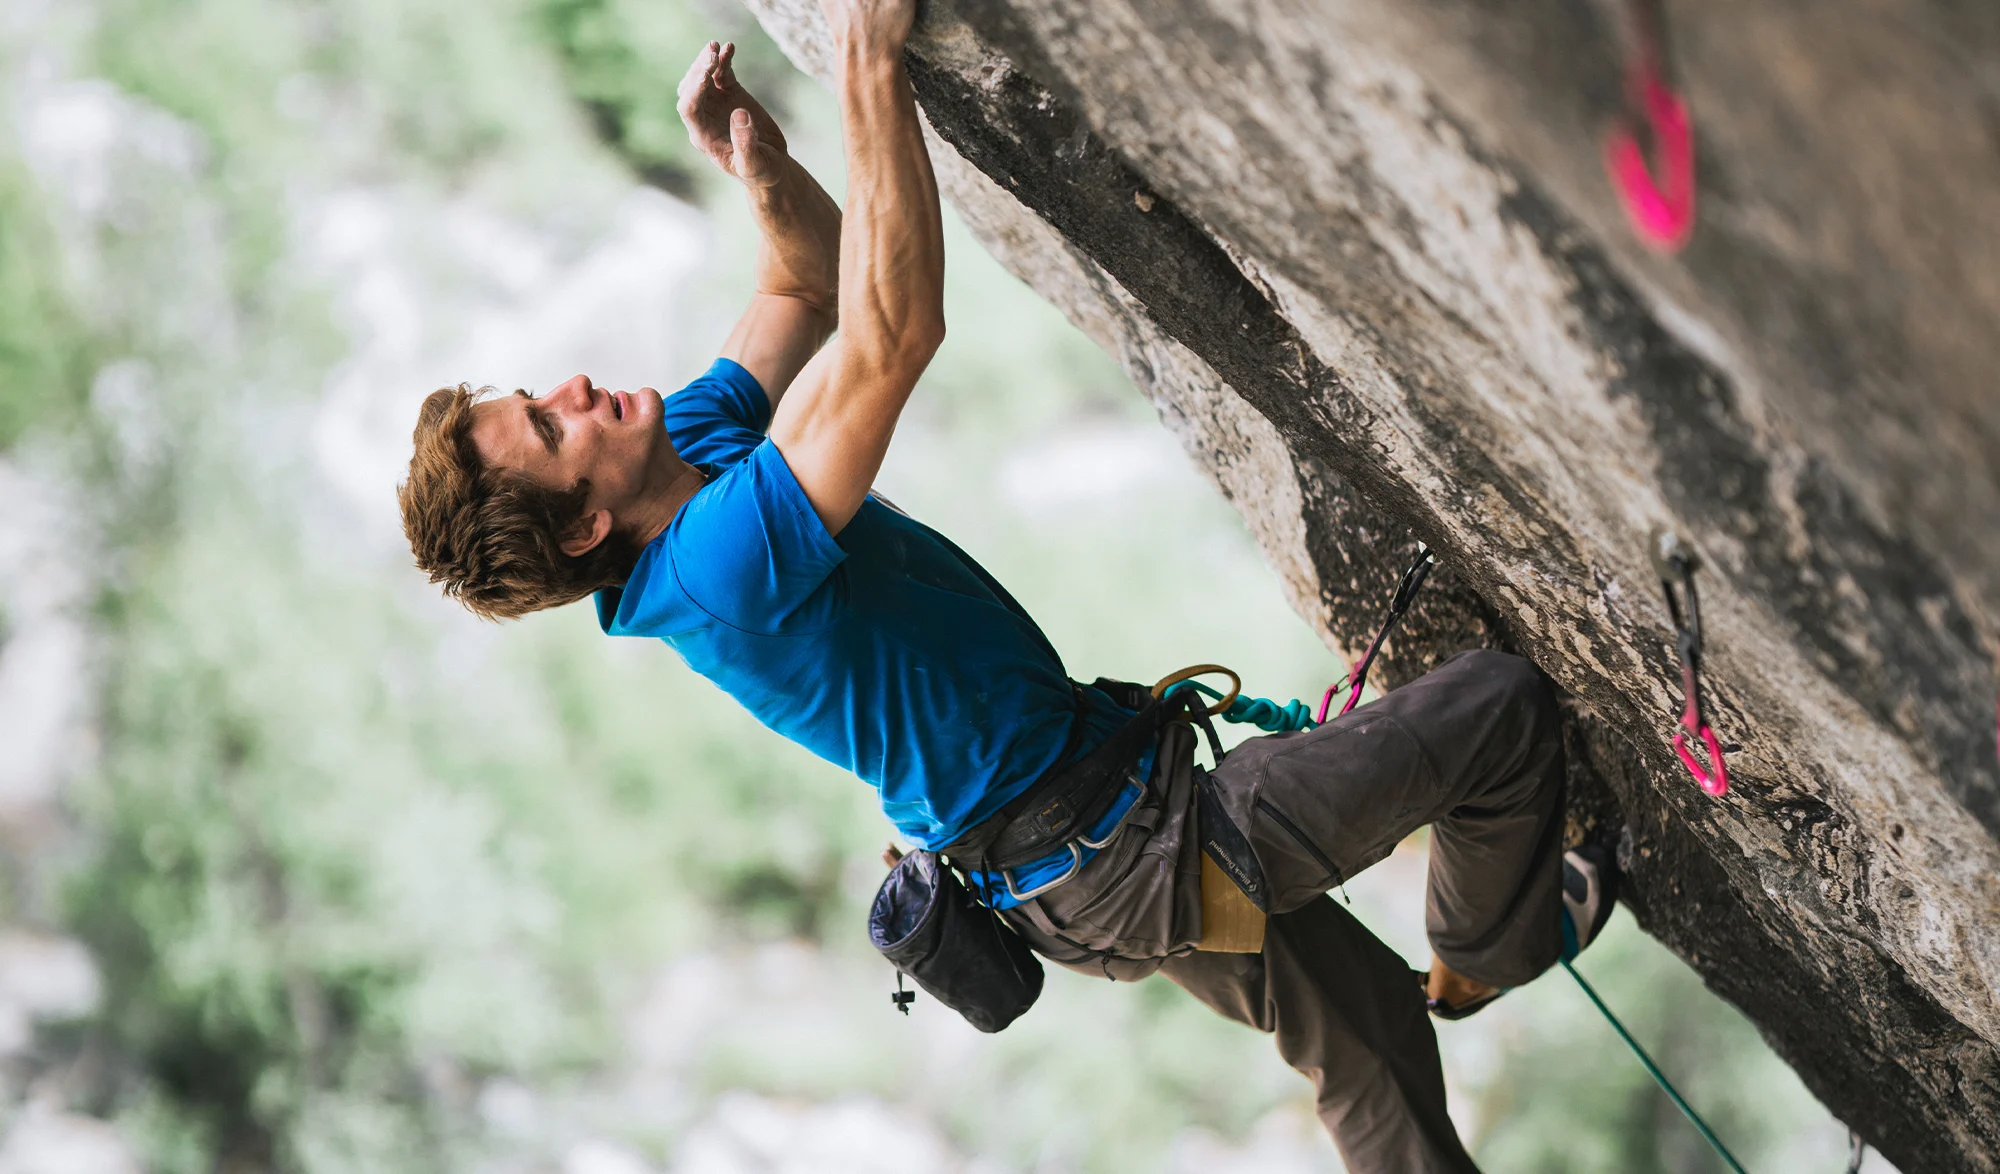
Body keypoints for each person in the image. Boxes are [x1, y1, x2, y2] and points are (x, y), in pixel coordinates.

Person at [396, 2, 1615, 1169]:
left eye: (533, 393)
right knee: (1498, 710)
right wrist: (866, 59)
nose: (567, 386)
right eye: (549, 429)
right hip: (1130, 856)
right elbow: (894, 336)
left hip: (1085, 855)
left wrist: (755, 163)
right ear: (582, 529)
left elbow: (806, 291)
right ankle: (1492, 942)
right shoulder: (716, 566)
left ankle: (1453, 977)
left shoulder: (689, 457)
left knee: (1365, 1042)